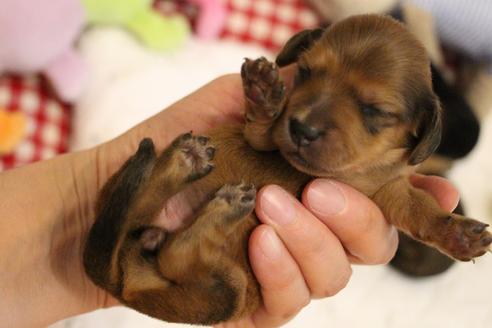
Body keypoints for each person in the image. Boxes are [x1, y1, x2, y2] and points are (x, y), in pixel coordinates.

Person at [0, 74, 459, 328]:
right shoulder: (298, 118)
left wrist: (440, 227)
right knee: (137, 195)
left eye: (374, 112)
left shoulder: (389, 183)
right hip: (142, 233)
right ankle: (178, 205)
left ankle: (186, 231)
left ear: (416, 140)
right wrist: (263, 107)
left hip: (181, 274)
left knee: (226, 293)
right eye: (314, 74)